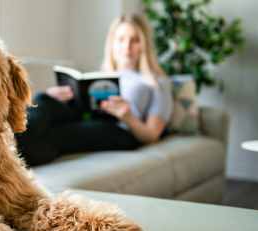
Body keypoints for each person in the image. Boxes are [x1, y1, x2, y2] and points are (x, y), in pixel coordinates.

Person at [15, 14, 173, 166]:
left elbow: (152, 135)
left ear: (144, 45)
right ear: (112, 44)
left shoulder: (157, 82)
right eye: (121, 40)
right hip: (87, 116)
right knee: (44, 100)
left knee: (58, 135)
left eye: (135, 40)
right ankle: (4, 138)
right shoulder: (103, 74)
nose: (127, 47)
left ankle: (6, 153)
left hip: (120, 130)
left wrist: (128, 117)